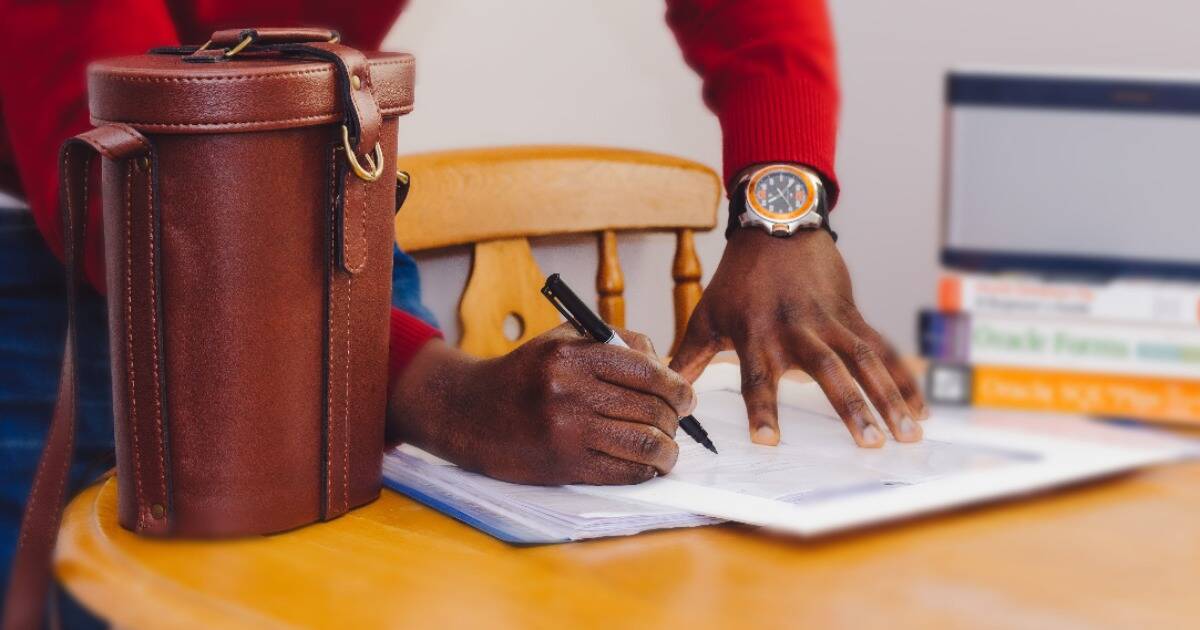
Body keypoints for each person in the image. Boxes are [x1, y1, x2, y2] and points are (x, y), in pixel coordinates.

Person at [0, 0, 926, 604]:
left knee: (366, 588)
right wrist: (447, 397)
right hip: (67, 247)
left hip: (324, 198)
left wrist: (783, 206)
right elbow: (102, 170)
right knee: (116, 596)